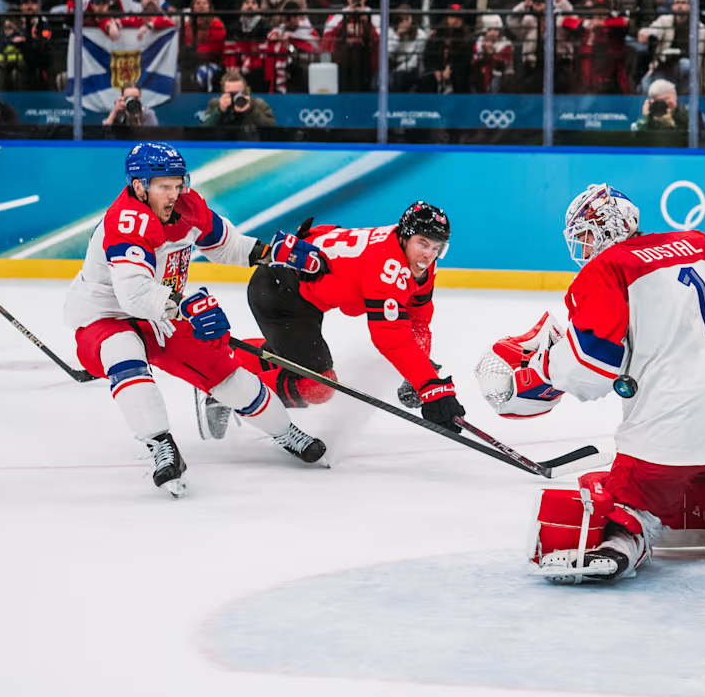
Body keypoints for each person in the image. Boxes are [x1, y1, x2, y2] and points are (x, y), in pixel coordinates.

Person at [476, 184, 705, 583]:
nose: (584, 249)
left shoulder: (609, 267)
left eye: (586, 236)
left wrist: (543, 366)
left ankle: (622, 544)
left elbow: (591, 370)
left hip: (667, 436)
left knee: (622, 494)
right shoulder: (703, 244)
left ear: (609, 227)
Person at [63, 143, 326, 497]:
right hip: (105, 316)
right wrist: (186, 306)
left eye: (178, 184)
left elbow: (226, 246)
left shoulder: (189, 206)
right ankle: (160, 445)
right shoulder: (126, 220)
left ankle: (284, 431)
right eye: (164, 186)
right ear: (139, 186)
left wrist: (271, 253)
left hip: (162, 312)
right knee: (124, 353)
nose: (174, 194)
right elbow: (134, 294)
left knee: (223, 371)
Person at [211, 202, 467, 438]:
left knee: (297, 362)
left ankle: (227, 362)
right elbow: (391, 337)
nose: (428, 255)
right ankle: (226, 392)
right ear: (404, 236)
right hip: (280, 293)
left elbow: (417, 321)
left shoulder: (418, 262)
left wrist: (422, 377)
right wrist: (432, 389)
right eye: (423, 243)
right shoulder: (386, 265)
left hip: (302, 293)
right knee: (316, 386)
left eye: (437, 248)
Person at [203, 69, 276, 128]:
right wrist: (219, 111)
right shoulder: (215, 103)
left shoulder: (257, 104)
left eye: (238, 93)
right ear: (223, 93)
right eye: (230, 94)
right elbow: (202, 129)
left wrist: (251, 110)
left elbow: (272, 128)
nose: (234, 97)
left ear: (245, 92)